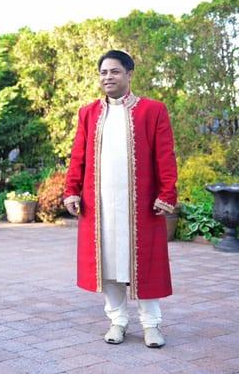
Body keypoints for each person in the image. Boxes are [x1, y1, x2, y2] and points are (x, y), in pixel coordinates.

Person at [63, 50, 177, 348]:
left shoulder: (153, 111)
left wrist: (166, 193)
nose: (108, 77)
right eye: (103, 72)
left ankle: (151, 326)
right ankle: (117, 321)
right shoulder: (89, 113)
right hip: (99, 205)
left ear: (129, 74)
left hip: (139, 205)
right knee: (108, 264)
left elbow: (165, 156)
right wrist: (72, 189)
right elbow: (78, 155)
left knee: (146, 265)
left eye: (114, 72)